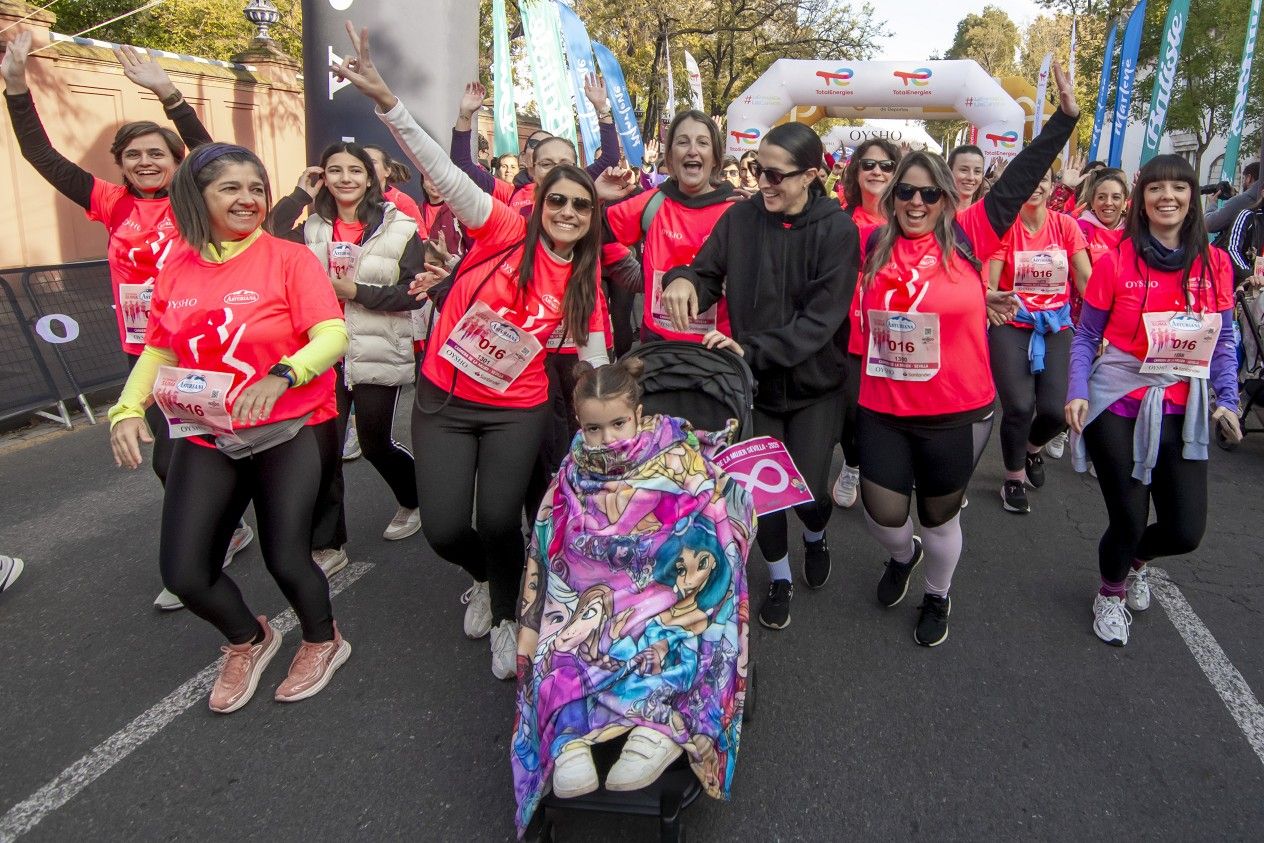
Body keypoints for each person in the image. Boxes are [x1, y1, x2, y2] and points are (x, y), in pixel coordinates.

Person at [333, 23, 610, 679]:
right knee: (445, 527)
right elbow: (438, 166)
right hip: (444, 401)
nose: (568, 211)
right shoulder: (501, 226)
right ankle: (486, 578)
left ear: (591, 216)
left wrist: (611, 434)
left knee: (496, 518)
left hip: (517, 409)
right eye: (559, 200)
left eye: (581, 205)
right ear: (540, 202)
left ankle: (512, 617)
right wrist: (385, 101)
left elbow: (594, 361)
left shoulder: (583, 279)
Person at [1, 34, 254, 610]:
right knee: (171, 457)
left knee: (224, 448)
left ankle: (245, 527)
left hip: (208, 346)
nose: (145, 162)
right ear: (121, 165)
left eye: (156, 154)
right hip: (144, 352)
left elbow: (214, 153)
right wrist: (17, 89)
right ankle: (218, 537)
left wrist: (169, 95)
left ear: (176, 163)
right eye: (134, 155)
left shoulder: (197, 197)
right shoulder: (112, 203)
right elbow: (43, 157)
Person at [107, 143, 352, 713]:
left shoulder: (290, 259)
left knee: (287, 558)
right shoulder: (177, 264)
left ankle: (322, 640)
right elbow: (160, 349)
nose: (248, 199)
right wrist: (125, 409)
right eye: (231, 188)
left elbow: (332, 335)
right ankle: (249, 638)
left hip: (283, 431)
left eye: (256, 188)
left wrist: (283, 374)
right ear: (198, 197)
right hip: (204, 431)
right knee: (186, 573)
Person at [851, 64, 1079, 648]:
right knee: (883, 516)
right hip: (884, 403)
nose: (917, 201)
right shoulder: (875, 243)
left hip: (956, 407)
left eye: (929, 192)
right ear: (891, 196)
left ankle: (937, 592)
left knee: (938, 517)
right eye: (906, 191)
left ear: (947, 199)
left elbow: (1018, 178)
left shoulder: (970, 235)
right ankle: (901, 559)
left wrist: (1064, 119)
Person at [511, 359, 755, 834]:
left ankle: (657, 731)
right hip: (588, 589)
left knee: (673, 643)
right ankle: (569, 741)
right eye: (594, 428)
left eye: (618, 424)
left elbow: (713, 518)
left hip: (662, 588)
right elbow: (549, 540)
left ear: (639, 415)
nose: (607, 440)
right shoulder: (571, 471)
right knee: (555, 647)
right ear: (579, 426)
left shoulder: (677, 457)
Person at [661, 122, 858, 630]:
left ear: (811, 176)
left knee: (811, 493)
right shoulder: (740, 219)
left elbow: (820, 321)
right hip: (756, 388)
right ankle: (780, 575)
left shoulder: (838, 231)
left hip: (816, 386)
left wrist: (750, 347)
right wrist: (682, 281)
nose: (762, 183)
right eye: (756, 170)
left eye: (774, 174)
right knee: (764, 494)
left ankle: (815, 536)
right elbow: (705, 272)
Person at [1067, 154, 1240, 648]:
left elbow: (1224, 342)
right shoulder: (1115, 261)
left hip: (1183, 407)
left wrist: (1227, 399)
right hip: (1119, 399)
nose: (1168, 196)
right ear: (1141, 201)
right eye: (1156, 188)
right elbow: (1085, 336)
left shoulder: (1216, 265)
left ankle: (1136, 560)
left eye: (1179, 188)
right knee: (1128, 515)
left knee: (1185, 531)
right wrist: (1077, 390)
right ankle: (1111, 590)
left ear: (1192, 199)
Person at [269, 142, 425, 549]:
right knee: (325, 450)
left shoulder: (401, 227)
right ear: (323, 176)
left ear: (371, 178)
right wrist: (299, 195)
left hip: (377, 346)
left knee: (375, 445)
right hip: (322, 351)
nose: (345, 179)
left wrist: (355, 290)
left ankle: (414, 499)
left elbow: (413, 294)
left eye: (355, 171)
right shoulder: (310, 228)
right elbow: (267, 235)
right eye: (334, 170)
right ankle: (328, 544)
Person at [987, 169, 1091, 514]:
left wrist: (1102, 325)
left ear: (1051, 185)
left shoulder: (1066, 226)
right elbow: (991, 279)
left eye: (1042, 179)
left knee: (1057, 409)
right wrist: (989, 299)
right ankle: (1013, 476)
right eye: (1029, 179)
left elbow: (1084, 276)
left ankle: (1032, 448)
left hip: (1056, 324)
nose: (1034, 185)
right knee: (1018, 406)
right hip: (1011, 321)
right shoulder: (1005, 226)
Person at [603, 109, 736, 344]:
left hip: (715, 350)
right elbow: (589, 234)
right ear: (671, 157)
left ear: (715, 158)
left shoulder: (736, 211)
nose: (692, 150)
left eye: (703, 143)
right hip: (657, 344)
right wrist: (631, 271)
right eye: (683, 142)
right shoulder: (652, 202)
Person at [831, 138, 901, 509]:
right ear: (856, 172)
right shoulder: (838, 218)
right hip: (847, 334)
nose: (877, 171)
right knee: (851, 412)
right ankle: (853, 463)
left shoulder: (909, 220)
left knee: (889, 412)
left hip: (894, 335)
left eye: (886, 165)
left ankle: (882, 467)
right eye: (869, 165)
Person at [452, 80, 620, 215]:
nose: (544, 148)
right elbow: (462, 164)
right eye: (535, 144)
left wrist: (602, 109)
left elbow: (610, 158)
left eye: (548, 143)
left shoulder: (577, 182)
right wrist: (465, 113)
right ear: (525, 158)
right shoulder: (508, 192)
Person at [363, 142, 424, 229]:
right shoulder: (351, 199)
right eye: (361, 162)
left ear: (387, 171)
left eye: (372, 162)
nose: (366, 166)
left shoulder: (402, 201)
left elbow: (420, 238)